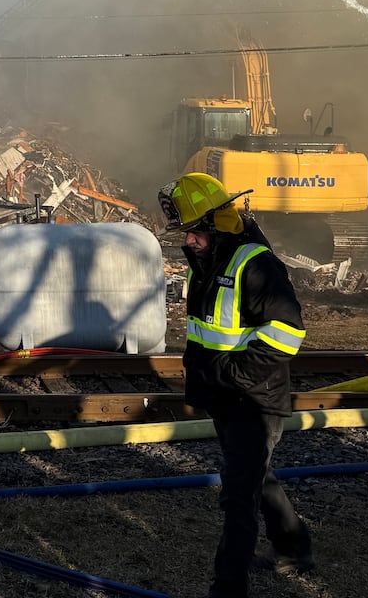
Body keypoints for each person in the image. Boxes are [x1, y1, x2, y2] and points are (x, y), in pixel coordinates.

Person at [158, 172, 314, 598]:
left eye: (194, 233)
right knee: (255, 477)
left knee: (238, 496)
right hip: (226, 396)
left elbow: (288, 332)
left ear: (217, 224)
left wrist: (232, 377)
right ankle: (295, 546)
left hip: (254, 399)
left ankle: (227, 588)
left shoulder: (256, 265)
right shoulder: (208, 263)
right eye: (185, 233)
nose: (187, 242)